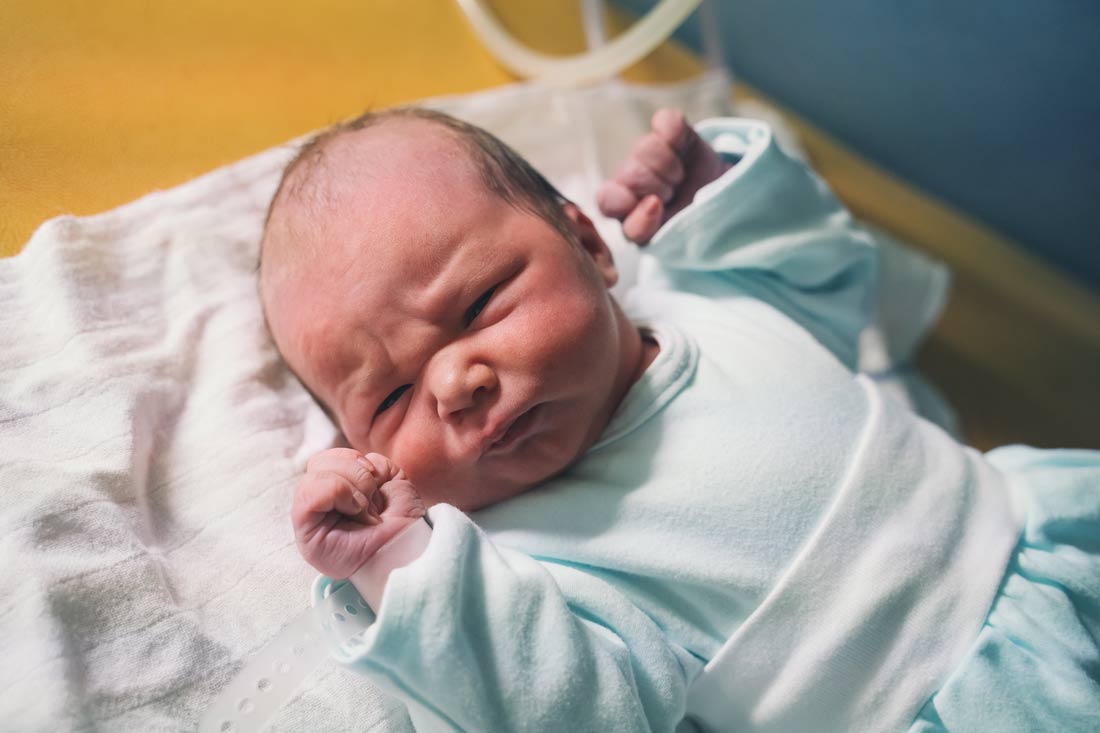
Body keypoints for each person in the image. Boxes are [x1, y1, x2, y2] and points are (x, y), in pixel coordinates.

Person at [258, 107, 1100, 732]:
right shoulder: (519, 567)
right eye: (391, 398)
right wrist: (401, 566)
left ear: (590, 245)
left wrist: (720, 196)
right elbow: (568, 711)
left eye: (479, 303)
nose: (456, 382)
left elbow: (829, 284)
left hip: (1049, 543)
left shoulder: (707, 300)